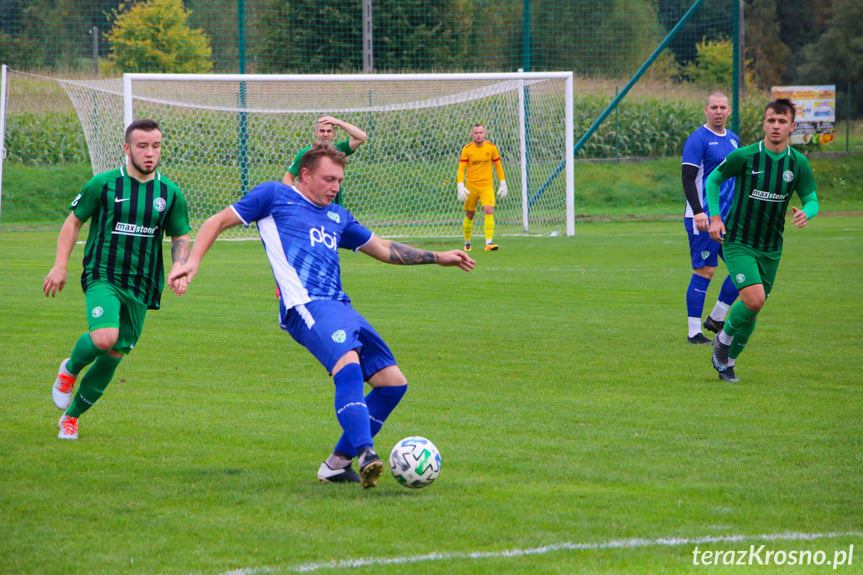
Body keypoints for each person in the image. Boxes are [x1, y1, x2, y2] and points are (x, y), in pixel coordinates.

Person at [168, 142, 475, 489]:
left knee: (392, 385)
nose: (335, 187)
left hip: (342, 306)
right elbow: (217, 221)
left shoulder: (337, 216)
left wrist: (438, 256)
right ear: (305, 174)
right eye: (329, 179)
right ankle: (365, 455)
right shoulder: (273, 196)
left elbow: (384, 249)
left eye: (340, 180)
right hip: (305, 306)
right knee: (348, 366)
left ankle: (335, 465)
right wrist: (190, 262)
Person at [43, 118, 191, 439]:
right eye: (142, 146)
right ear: (127, 149)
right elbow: (73, 223)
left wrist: (180, 265)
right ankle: (70, 368)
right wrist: (60, 265)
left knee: (113, 356)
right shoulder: (104, 184)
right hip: (103, 275)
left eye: (156, 146)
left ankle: (72, 417)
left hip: (142, 285)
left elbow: (180, 234)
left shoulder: (169, 193)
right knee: (105, 338)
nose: (150, 153)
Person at [706, 98, 819, 382]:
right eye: (771, 121)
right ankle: (723, 337)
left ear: (791, 126)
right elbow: (713, 181)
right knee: (754, 300)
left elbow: (811, 199)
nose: (776, 126)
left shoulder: (798, 163)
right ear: (764, 124)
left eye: (782, 122)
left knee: (752, 311)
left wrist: (806, 212)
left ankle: (728, 364)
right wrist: (716, 217)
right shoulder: (744, 157)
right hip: (739, 241)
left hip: (771, 247)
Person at [681, 92, 741, 345]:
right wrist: (698, 211)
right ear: (705, 110)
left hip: (727, 218)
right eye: (713, 107)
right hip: (703, 218)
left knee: (745, 268)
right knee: (705, 270)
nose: (718, 111)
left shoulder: (734, 140)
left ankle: (716, 318)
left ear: (729, 112)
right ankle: (694, 332)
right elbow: (687, 177)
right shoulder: (698, 139)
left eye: (722, 107)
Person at [282, 115, 367, 206]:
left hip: (334, 207)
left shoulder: (337, 149)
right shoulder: (305, 153)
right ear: (316, 132)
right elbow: (288, 177)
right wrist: (295, 199)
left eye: (329, 131)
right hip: (312, 206)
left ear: (333, 133)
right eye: (322, 131)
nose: (325, 134)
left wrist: (338, 122)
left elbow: (361, 137)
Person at [457, 123, 507, 252]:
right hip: (471, 187)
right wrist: (460, 185)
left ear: (485, 134)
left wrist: (503, 183)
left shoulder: (491, 148)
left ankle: (489, 243)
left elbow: (498, 166)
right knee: (470, 214)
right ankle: (467, 242)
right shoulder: (467, 149)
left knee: (489, 210)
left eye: (481, 132)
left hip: (487, 186)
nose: (478, 135)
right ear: (472, 135)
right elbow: (461, 168)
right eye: (476, 133)